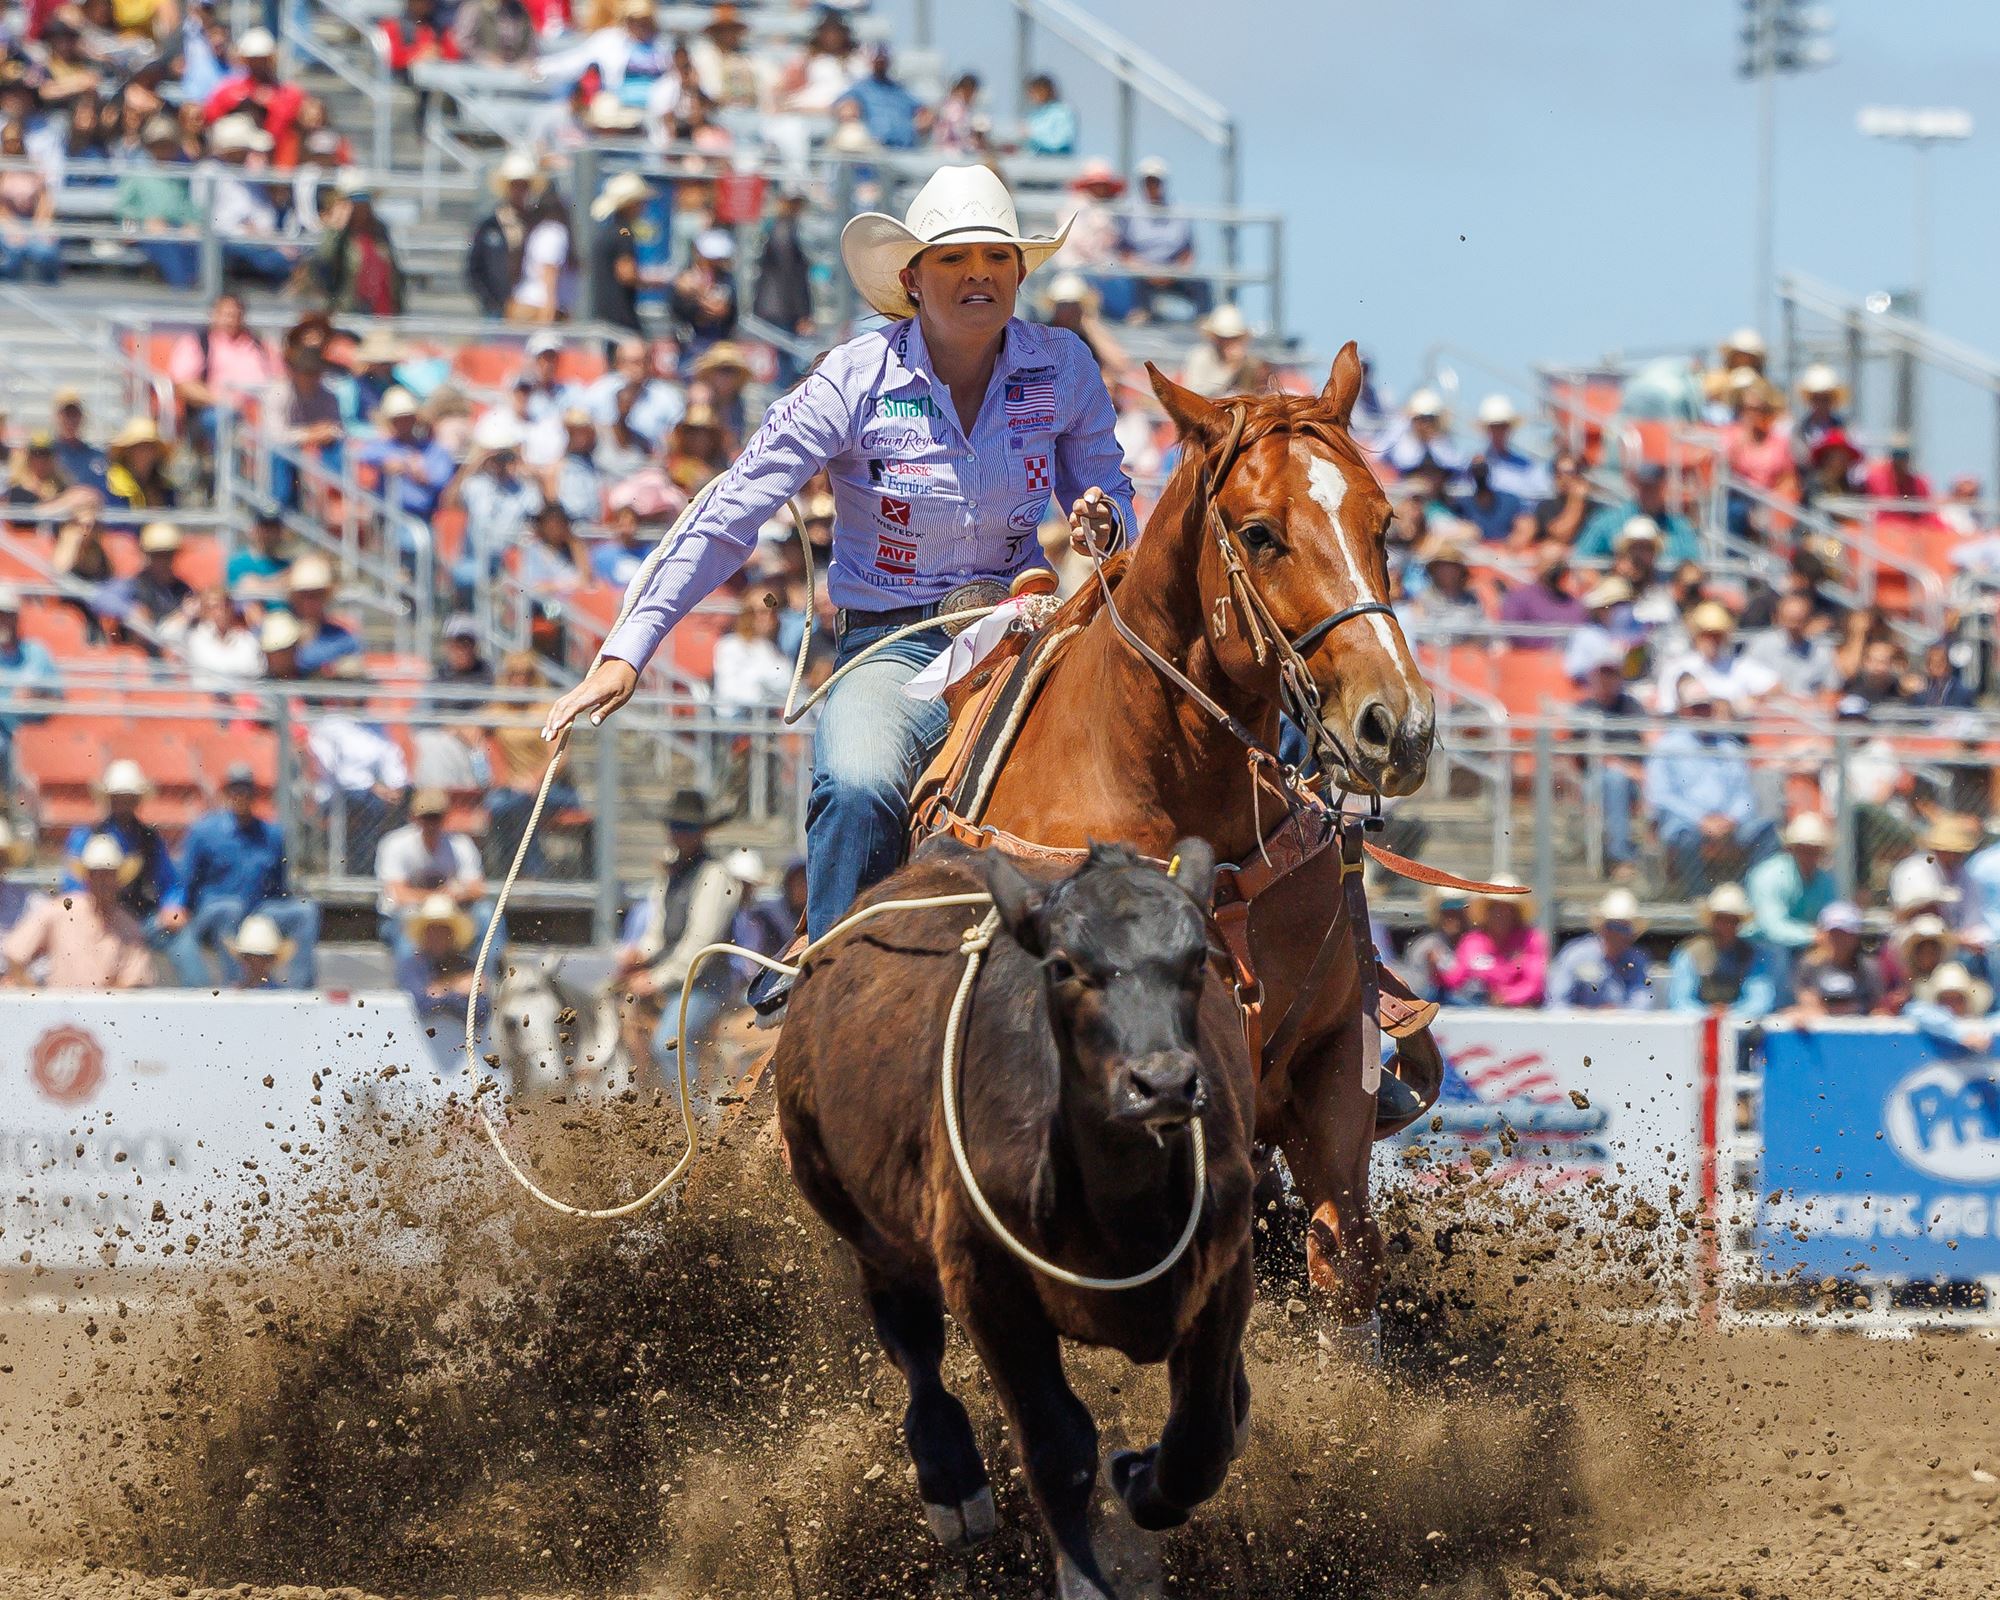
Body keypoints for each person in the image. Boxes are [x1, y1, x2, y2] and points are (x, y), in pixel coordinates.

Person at [543, 165, 1133, 961]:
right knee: (857, 787)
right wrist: (628, 648)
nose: (979, 276)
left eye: (996, 258)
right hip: (894, 647)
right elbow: (736, 507)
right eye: (954, 260)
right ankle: (827, 987)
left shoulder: (1062, 366)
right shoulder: (854, 377)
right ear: (912, 278)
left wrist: (1106, 523)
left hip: (1024, 635)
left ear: (1020, 274)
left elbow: (1111, 501)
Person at [610, 789, 743, 1071]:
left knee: (668, 1045)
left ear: (703, 832)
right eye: (675, 826)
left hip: (705, 984)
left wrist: (655, 979)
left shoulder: (716, 876)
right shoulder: (670, 875)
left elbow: (700, 944)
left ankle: (690, 1115)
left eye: (687, 827)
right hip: (675, 977)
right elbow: (657, 933)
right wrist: (639, 954)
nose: (678, 834)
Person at [171, 762, 319, 988]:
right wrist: (178, 908)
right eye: (235, 789)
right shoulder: (204, 832)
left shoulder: (272, 834)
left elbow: (279, 885)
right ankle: (238, 984)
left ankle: (300, 991)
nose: (241, 795)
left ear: (254, 794)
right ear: (226, 793)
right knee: (230, 908)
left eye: (246, 790)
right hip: (214, 909)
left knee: (305, 912)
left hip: (258, 908)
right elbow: (186, 879)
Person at [1643, 677, 1777, 894]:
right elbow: (1660, 795)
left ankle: (1748, 895)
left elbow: (1745, 794)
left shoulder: (1729, 747)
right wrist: (1701, 819)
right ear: (1684, 711)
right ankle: (1699, 898)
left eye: (1706, 707)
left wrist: (1731, 818)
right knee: (1684, 837)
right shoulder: (1666, 747)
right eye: (1697, 708)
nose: (1702, 713)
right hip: (1688, 824)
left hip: (1729, 824)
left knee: (1767, 831)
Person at [3, 832, 153, 989]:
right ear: (87, 877)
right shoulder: (60, 911)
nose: (103, 881)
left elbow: (134, 982)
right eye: (97, 874)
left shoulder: (129, 926)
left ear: (118, 879)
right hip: (59, 1010)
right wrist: (36, 997)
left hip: (106, 1011)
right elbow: (15, 955)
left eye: (108, 875)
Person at [61, 758, 185, 942]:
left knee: (183, 941)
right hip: (96, 918)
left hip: (142, 917)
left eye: (128, 798)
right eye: (119, 797)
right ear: (109, 799)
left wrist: (172, 907)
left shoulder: (151, 839)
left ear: (137, 800)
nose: (123, 803)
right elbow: (73, 885)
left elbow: (169, 883)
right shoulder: (84, 836)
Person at [375, 787, 498, 964]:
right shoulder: (395, 843)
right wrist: (440, 896)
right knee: (407, 928)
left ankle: (485, 981)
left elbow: (478, 888)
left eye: (436, 817)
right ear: (413, 817)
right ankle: (416, 986)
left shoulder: (460, 844)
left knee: (486, 913)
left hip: (451, 914)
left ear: (445, 817)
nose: (431, 823)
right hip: (409, 913)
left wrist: (459, 893)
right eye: (426, 817)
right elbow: (398, 894)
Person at [1744, 811, 1836, 987]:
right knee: (1779, 954)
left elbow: (1830, 918)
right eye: (1803, 848)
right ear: (1791, 848)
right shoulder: (1768, 875)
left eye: (1814, 849)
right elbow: (1771, 928)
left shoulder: (1826, 880)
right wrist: (1813, 936)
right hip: (1761, 948)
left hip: (1805, 947)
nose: (1808, 854)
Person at [1114, 155, 1207, 321]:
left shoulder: (1179, 210)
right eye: (1148, 181)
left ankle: (1204, 321)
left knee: (1201, 285)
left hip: (1173, 272)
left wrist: (1173, 272)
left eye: (1156, 181)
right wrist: (1145, 271)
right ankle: (1141, 315)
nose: (1152, 186)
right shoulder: (1129, 211)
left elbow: (1188, 250)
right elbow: (1123, 250)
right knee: (1127, 284)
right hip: (1140, 273)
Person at [1667, 883, 1779, 1016]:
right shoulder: (1690, 953)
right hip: (1697, 1028)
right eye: (1721, 919)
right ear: (1712, 921)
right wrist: (1708, 1014)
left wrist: (1730, 1013)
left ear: (1739, 924)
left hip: (1739, 1028)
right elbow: (1679, 1001)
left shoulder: (1753, 955)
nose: (1725, 926)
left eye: (1731, 921)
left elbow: (1760, 1001)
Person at [202, 27, 306, 167]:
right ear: (243, 59)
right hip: (236, 166)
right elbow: (211, 118)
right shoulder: (228, 90)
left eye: (263, 59)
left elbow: (290, 125)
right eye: (253, 59)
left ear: (272, 58)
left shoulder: (289, 94)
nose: (258, 64)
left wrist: (271, 104)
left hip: (281, 164)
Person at [1437, 878, 1545, 1008]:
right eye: (1495, 909)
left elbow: (1535, 984)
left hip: (1520, 1010)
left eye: (1507, 909)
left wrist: (1507, 997)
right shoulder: (1472, 941)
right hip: (1477, 1006)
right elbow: (1456, 979)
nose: (1501, 915)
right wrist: (1436, 970)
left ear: (1515, 914)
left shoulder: (1530, 939)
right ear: (1487, 913)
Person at [310, 174, 406, 317]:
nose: (360, 209)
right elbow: (323, 265)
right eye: (355, 204)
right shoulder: (337, 235)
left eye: (364, 203)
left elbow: (393, 269)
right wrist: (336, 227)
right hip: (348, 310)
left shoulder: (380, 231)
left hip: (381, 309)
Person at [1546, 888, 1657, 1009]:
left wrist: (1616, 1014)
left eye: (1625, 929)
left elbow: (1642, 1004)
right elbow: (1556, 1002)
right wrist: (1584, 1015)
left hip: (1621, 1026)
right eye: (1613, 926)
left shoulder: (1637, 960)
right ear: (1602, 927)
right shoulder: (1576, 954)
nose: (1618, 934)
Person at [1575, 463, 1700, 565]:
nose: (1649, 493)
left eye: (1654, 486)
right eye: (1645, 486)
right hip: (1620, 592)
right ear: (1636, 485)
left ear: (1664, 486)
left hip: (1662, 591)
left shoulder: (1678, 525)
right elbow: (1581, 559)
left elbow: (1696, 560)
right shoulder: (1608, 521)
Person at [469, 154, 542, 319]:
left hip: (529, 306)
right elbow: (474, 268)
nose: (519, 191)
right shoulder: (489, 225)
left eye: (523, 186)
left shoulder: (536, 224)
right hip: (497, 309)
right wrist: (491, 300)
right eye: (515, 185)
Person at [0, 585, 59, 787]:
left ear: (16, 618)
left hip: (33, 732)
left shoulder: (37, 652)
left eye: (6, 616)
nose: (2, 622)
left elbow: (58, 698)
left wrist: (35, 697)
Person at [1788, 901, 1882, 1019]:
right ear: (1822, 934)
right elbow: (1808, 1001)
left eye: (1844, 934)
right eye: (1833, 933)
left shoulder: (1867, 967)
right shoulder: (1809, 965)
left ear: (1855, 936)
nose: (1838, 939)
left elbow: (1876, 1005)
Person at [587, 170, 647, 338]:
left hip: (605, 316)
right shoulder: (624, 233)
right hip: (621, 320)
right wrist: (655, 281)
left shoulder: (608, 231)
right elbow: (626, 274)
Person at [1743, 591, 1836, 700]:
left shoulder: (1821, 653)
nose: (1793, 627)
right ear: (1777, 618)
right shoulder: (1761, 645)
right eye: (1789, 620)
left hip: (1807, 711)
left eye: (1799, 620)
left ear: (1809, 620)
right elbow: (1744, 683)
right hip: (1767, 710)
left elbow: (1831, 691)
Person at [835, 44, 923, 148]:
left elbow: (922, 109)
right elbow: (844, 105)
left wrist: (922, 120)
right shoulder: (861, 88)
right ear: (871, 62)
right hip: (875, 152)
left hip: (905, 148)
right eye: (877, 60)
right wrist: (849, 109)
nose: (880, 63)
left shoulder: (899, 89)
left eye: (883, 60)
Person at [1473, 394, 1551, 503]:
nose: (1498, 432)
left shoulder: (1527, 465)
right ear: (1487, 429)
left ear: (1509, 429)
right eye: (1494, 427)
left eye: (1502, 426)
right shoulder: (1474, 465)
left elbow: (1544, 493)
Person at [1177, 304, 1266, 400]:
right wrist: (1230, 369)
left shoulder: (1248, 363)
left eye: (1234, 338)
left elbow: (1251, 395)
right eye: (1224, 338)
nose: (1228, 342)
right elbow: (1195, 393)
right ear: (1215, 337)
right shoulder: (1200, 356)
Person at [1400, 888, 1469, 1004]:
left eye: (1457, 913)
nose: (1453, 919)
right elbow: (1416, 990)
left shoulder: (1474, 941)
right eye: (1447, 914)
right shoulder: (1424, 946)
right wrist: (1432, 971)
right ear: (1439, 915)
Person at [1019, 72, 1076, 156]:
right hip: (1036, 162)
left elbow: (1061, 141)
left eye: (1036, 92)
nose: (1032, 96)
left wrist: (1033, 134)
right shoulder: (1035, 114)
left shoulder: (1063, 112)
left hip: (1058, 162)